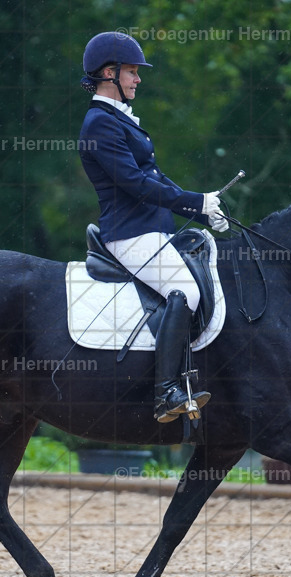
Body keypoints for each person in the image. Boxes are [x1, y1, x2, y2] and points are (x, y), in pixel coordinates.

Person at [78, 31, 228, 423]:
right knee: (185, 290)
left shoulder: (118, 121)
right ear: (108, 74)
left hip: (151, 229)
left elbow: (157, 180)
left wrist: (203, 209)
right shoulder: (99, 124)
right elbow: (137, 186)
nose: (138, 79)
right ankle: (165, 392)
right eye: (131, 72)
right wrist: (194, 201)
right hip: (129, 233)